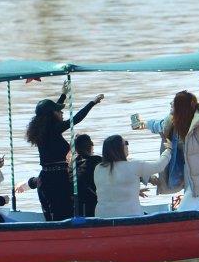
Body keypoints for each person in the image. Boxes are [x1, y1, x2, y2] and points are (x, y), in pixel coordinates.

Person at [25, 83, 104, 220]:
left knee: (54, 214)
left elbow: (51, 109)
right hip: (57, 178)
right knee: (63, 214)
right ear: (52, 115)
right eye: (59, 111)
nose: (62, 113)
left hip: (45, 177)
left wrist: (64, 95)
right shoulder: (53, 130)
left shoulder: (42, 131)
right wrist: (92, 102)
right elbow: (76, 119)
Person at [93, 135, 171, 218]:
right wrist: (169, 150)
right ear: (120, 148)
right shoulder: (134, 166)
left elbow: (110, 189)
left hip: (102, 217)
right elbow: (158, 166)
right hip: (130, 216)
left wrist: (133, 191)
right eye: (126, 143)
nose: (127, 146)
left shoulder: (98, 169)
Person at [73, 134, 104, 217]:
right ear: (90, 146)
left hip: (76, 204)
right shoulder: (97, 160)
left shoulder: (72, 165)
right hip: (93, 201)